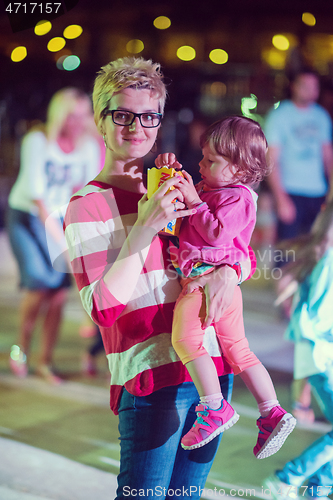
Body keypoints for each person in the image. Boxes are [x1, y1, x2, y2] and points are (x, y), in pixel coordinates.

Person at [64, 56, 254, 499]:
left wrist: (231, 271)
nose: (137, 127)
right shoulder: (87, 204)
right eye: (123, 115)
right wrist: (146, 226)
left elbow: (232, 247)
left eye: (148, 115)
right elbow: (102, 308)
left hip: (211, 374)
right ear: (100, 120)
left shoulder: (177, 184)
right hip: (151, 378)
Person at [155, 116, 296, 459]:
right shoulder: (212, 189)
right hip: (220, 285)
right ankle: (272, 412)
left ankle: (214, 406)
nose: (201, 165)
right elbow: (182, 213)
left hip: (206, 281)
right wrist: (172, 176)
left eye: (210, 161)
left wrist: (195, 200)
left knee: (185, 339)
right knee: (239, 351)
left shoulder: (240, 197)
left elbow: (216, 232)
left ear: (240, 168)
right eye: (202, 158)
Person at [6, 87, 101, 384]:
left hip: (61, 218)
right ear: (58, 115)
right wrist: (61, 241)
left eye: (82, 116)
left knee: (59, 292)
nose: (76, 122)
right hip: (27, 216)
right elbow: (37, 197)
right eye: (70, 115)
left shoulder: (89, 145)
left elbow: (87, 189)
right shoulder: (38, 140)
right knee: (40, 284)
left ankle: (44, 360)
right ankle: (21, 346)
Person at [264, 199, 333, 500]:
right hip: (322, 354)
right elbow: (319, 319)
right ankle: (288, 478)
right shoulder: (327, 257)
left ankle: (318, 488)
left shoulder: (319, 254)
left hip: (317, 354)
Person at [265, 68, 333, 243]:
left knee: (316, 249)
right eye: (305, 86)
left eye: (314, 87)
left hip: (318, 192)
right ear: (294, 87)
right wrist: (281, 198)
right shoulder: (279, 115)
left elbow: (328, 157)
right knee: (287, 250)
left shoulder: (322, 116)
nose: (310, 91)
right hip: (290, 190)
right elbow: (271, 159)